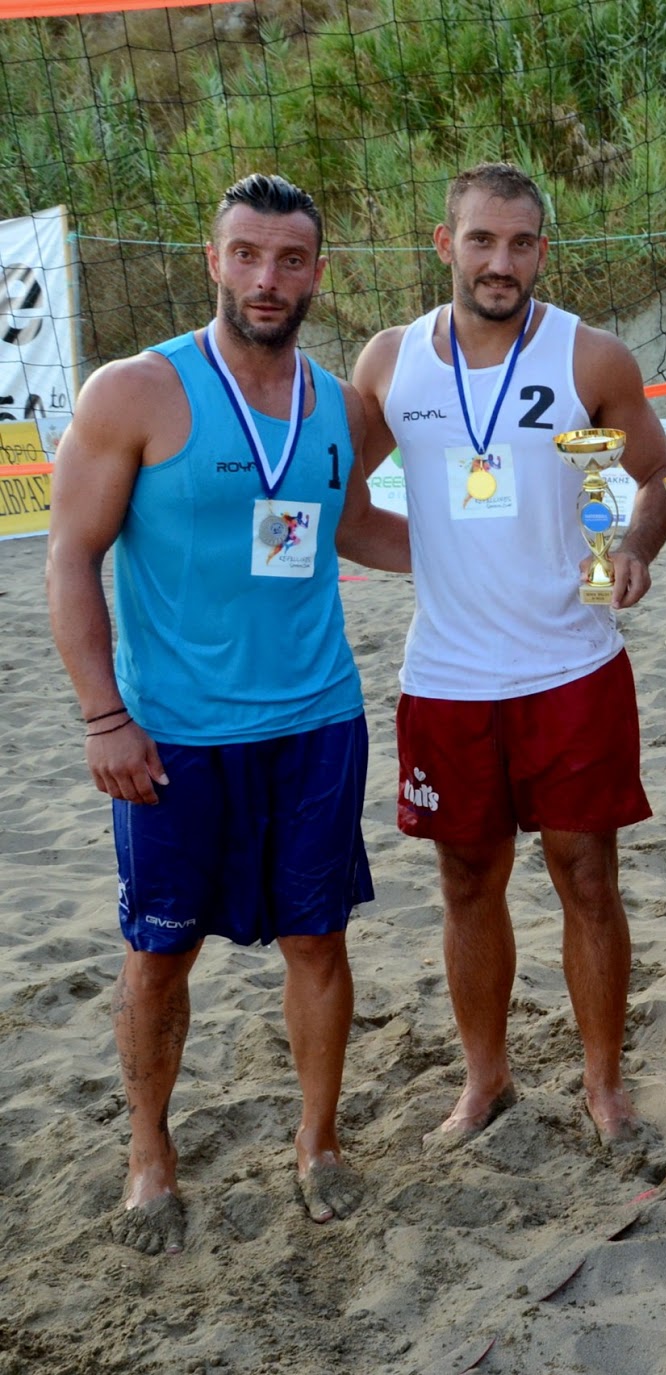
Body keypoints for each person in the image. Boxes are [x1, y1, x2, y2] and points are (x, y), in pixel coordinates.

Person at [46, 173, 411, 1255]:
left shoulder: (337, 404)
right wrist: (103, 717)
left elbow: (351, 526)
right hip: (176, 735)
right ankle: (149, 1152)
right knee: (159, 953)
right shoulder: (134, 391)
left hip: (316, 721)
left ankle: (318, 1141)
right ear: (214, 260)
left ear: (317, 273)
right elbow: (69, 557)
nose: (267, 278)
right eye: (247, 254)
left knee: (318, 939)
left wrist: (503, 555)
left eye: (290, 259)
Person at [352, 162, 666, 1147]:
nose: (502, 261)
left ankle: (604, 1084)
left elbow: (662, 477)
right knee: (466, 881)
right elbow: (335, 500)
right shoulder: (390, 362)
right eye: (483, 240)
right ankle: (483, 1080)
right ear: (444, 244)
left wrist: (634, 548)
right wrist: (434, 553)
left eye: (522, 242)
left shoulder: (591, 356)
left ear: (542, 249)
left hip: (571, 666)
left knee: (588, 878)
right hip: (446, 677)